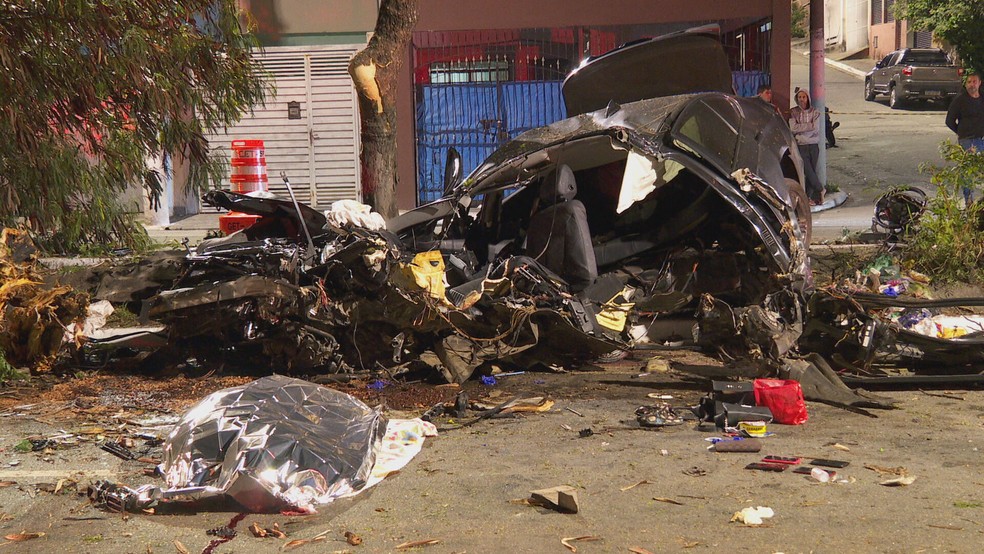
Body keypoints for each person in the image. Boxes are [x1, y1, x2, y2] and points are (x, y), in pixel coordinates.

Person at [945, 73, 984, 204]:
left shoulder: (982, 98)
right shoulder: (960, 100)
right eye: (969, 82)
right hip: (968, 141)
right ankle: (969, 201)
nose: (972, 84)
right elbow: (949, 121)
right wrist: (961, 132)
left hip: (982, 139)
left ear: (979, 83)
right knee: (968, 172)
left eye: (974, 82)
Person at [789, 88, 825, 204]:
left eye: (804, 97)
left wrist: (802, 128)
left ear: (808, 98)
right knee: (807, 171)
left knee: (812, 172)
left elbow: (816, 128)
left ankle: (809, 197)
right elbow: (793, 128)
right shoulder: (793, 112)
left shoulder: (815, 112)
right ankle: (821, 189)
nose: (801, 100)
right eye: (799, 97)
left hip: (813, 146)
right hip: (801, 145)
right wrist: (808, 126)